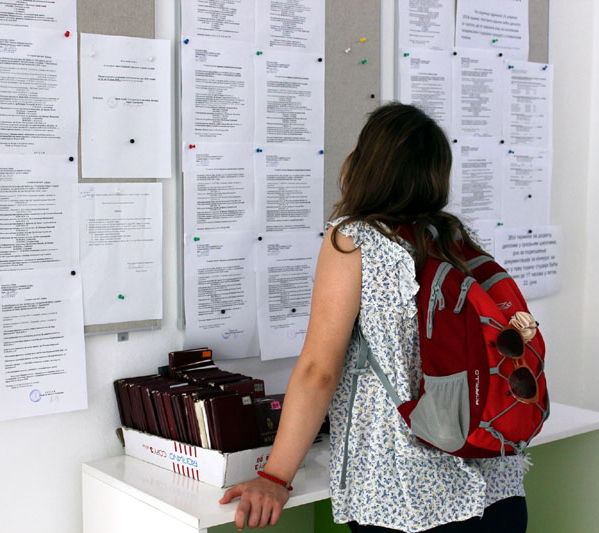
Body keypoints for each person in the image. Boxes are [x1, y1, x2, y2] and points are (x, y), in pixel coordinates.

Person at [219, 103, 528, 532]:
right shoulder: (455, 239)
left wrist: (275, 477)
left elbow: (318, 370)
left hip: (405, 498)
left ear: (367, 164)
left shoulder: (354, 238)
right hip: (496, 483)